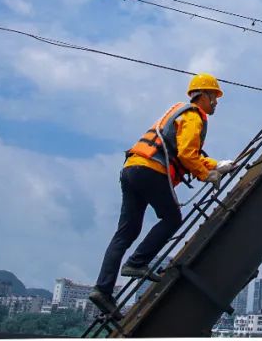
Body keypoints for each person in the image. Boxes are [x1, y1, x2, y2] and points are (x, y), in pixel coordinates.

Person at [89, 73, 234, 319]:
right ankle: (136, 262)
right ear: (203, 95)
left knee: (126, 232)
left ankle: (102, 290)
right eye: (215, 97)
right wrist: (206, 175)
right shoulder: (193, 117)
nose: (216, 102)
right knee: (172, 220)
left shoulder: (178, 112)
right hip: (152, 171)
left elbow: (186, 154)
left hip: (131, 169)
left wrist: (215, 165)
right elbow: (188, 156)